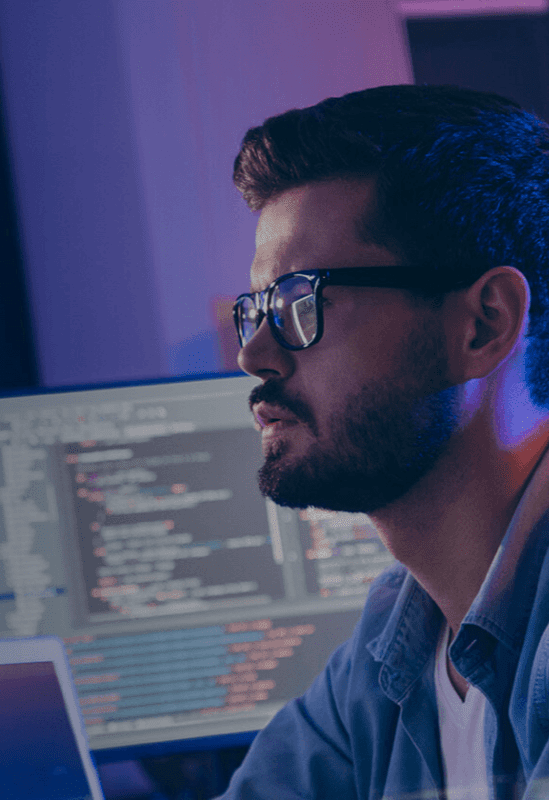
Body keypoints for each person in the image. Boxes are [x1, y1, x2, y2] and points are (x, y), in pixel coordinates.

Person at [218, 85, 549, 800]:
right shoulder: (398, 637)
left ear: (483, 325)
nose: (254, 357)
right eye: (258, 310)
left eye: (300, 304)